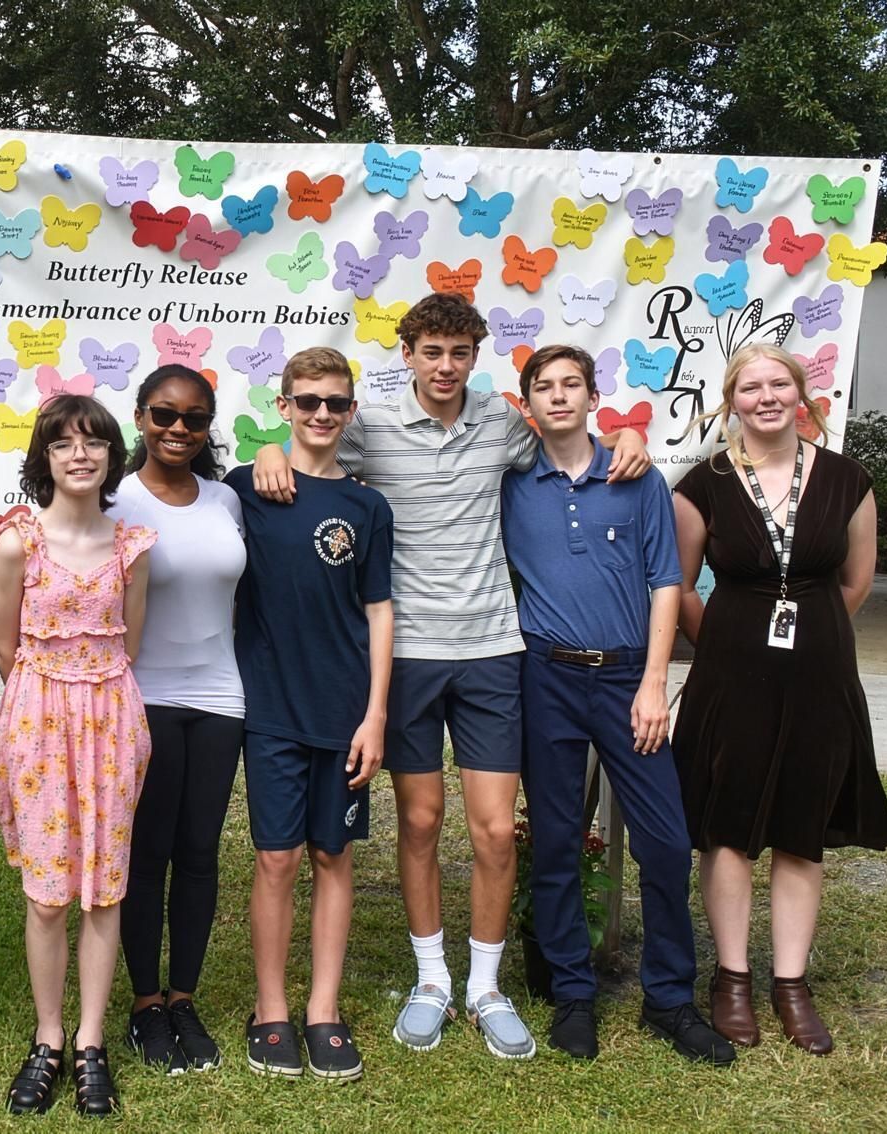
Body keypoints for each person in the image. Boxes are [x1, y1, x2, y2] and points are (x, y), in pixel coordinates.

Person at [251, 293, 650, 1060]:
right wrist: (270, 451)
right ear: (407, 355)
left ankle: (485, 986)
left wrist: (624, 434)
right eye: (430, 351)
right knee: (423, 821)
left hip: (494, 650)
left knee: (497, 828)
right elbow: (311, 455)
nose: (444, 366)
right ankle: (432, 979)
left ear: (475, 357)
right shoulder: (366, 428)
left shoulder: (503, 425)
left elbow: (571, 448)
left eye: (459, 353)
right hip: (406, 657)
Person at [500, 345, 734, 1065]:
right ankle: (572, 989)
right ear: (529, 404)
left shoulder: (637, 478)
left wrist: (655, 681)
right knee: (558, 838)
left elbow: (668, 579)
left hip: (630, 674)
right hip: (547, 678)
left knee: (665, 841)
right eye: (546, 387)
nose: (560, 396)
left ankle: (670, 997)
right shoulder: (511, 483)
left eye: (573, 384)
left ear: (593, 395)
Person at [672, 343, 887, 1055]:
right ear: (730, 399)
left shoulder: (846, 478)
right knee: (728, 824)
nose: (765, 396)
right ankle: (732, 977)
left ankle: (789, 983)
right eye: (750, 386)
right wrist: (733, 642)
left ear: (801, 395)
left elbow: (856, 581)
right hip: (729, 673)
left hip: (820, 673)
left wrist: (810, 638)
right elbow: (677, 587)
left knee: (803, 823)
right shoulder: (702, 483)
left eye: (779, 384)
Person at [228, 349, 392, 1081]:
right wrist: (264, 454)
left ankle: (323, 1009)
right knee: (277, 857)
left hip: (345, 712)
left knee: (334, 855)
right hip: (269, 709)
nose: (321, 414)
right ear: (284, 405)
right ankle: (270, 1011)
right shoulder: (245, 489)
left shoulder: (366, 507)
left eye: (335, 403)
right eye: (308, 401)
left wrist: (377, 714)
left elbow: (380, 610)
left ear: (350, 411)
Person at [0, 394, 156, 1117]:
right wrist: (45, 703)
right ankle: (48, 1037)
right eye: (64, 443)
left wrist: (95, 700)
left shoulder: (134, 546)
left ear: (112, 456)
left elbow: (133, 641)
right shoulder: (17, 542)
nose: (80, 454)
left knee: (104, 885)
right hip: (38, 717)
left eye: (93, 442)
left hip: (112, 717)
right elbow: (2, 642)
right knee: (47, 891)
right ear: (45, 457)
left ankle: (91, 1043)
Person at [106, 363, 244, 1075]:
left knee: (199, 854)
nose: (178, 430)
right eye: (164, 415)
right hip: (143, 694)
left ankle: (183, 998)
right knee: (147, 853)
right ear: (140, 416)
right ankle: (143, 1003)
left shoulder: (226, 499)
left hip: (222, 697)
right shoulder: (114, 500)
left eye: (193, 419)